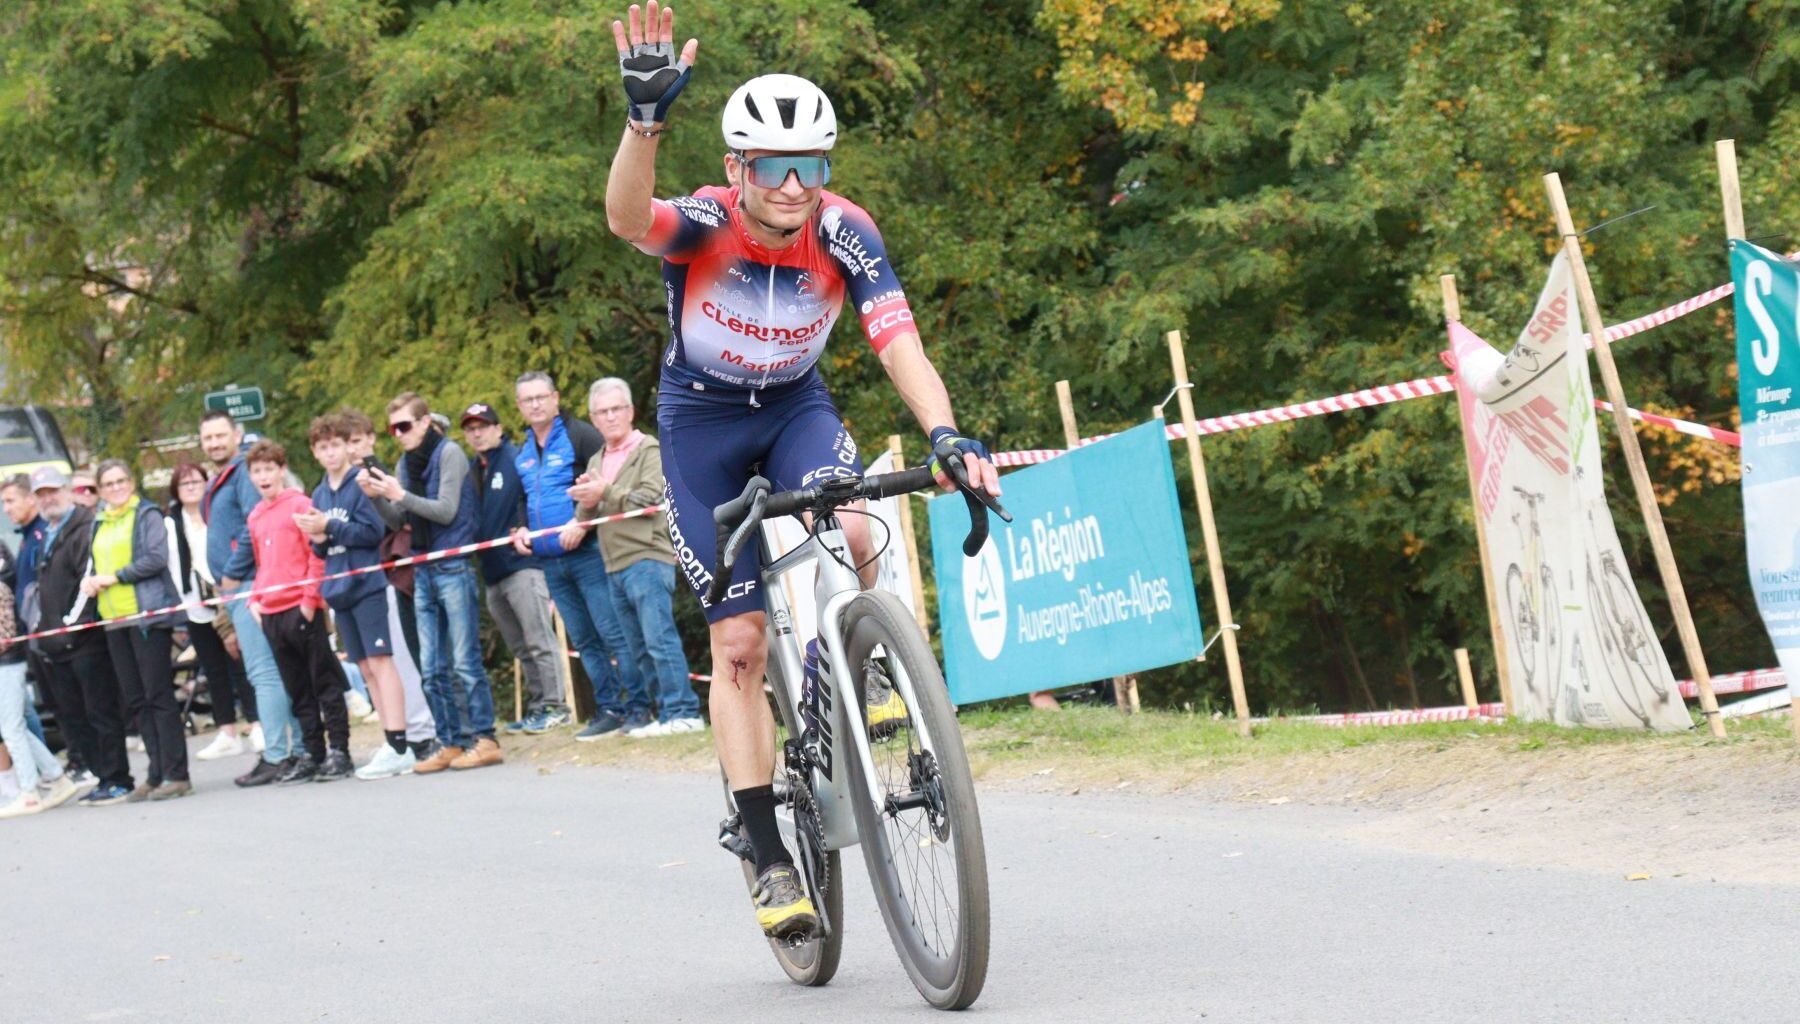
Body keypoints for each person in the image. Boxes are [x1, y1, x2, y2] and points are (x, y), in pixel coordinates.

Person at [604, 4, 1001, 939]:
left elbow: (899, 343)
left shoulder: (845, 232)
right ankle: (763, 846)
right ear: (738, 169)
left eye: (811, 166)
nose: (793, 185)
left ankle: (865, 669)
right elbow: (627, 218)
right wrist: (643, 123)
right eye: (773, 166)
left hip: (793, 410)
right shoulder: (703, 224)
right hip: (700, 429)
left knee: (857, 523)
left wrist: (945, 435)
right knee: (737, 640)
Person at [363, 394, 502, 772]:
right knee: (432, 665)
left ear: (425, 422)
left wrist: (399, 493)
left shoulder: (449, 453)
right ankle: (451, 740)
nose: (399, 434)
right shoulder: (405, 463)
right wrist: (377, 498)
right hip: (422, 567)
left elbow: (446, 510)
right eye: (393, 428)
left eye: (405, 426)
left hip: (453, 564)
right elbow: (398, 521)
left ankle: (485, 737)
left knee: (464, 660)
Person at [509, 371, 647, 738]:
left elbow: (604, 480)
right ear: (520, 406)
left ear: (555, 398)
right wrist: (521, 529)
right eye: (528, 399)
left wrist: (582, 524)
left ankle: (638, 708)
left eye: (542, 397)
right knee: (583, 639)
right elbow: (524, 499)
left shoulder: (580, 434)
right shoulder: (522, 451)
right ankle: (609, 710)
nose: (536, 404)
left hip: (589, 553)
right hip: (549, 561)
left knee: (612, 633)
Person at [573, 378, 700, 736]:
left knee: (659, 639)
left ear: (630, 411)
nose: (610, 417)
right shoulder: (597, 458)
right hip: (613, 562)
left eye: (616, 409)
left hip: (647, 556)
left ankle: (683, 711)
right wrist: (584, 503)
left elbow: (649, 500)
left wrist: (605, 491)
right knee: (637, 647)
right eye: (602, 412)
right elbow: (594, 511)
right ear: (593, 418)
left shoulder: (649, 450)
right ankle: (664, 714)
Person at [295, 415, 415, 780]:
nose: (331, 453)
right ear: (315, 453)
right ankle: (388, 740)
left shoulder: (358, 484)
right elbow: (323, 549)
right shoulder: (319, 493)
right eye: (323, 447)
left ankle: (400, 743)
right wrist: (318, 539)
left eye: (336, 445)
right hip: (338, 586)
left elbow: (372, 531)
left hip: (366, 584)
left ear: (348, 446)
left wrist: (328, 526)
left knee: (381, 661)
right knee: (363, 667)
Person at [199, 410, 303, 788]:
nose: (213, 443)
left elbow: (252, 523)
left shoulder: (243, 472)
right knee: (273, 669)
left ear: (236, 434)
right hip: (239, 585)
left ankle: (277, 754)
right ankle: (296, 749)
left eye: (220, 435)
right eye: (207, 437)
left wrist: (232, 570)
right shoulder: (220, 479)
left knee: (264, 672)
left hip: (248, 582)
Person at [244, 440, 353, 784]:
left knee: (323, 681)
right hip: (271, 610)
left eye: (268, 469)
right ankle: (312, 750)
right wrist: (255, 601)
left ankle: (339, 749)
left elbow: (315, 555)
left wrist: (309, 601)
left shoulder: (301, 505)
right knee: (297, 687)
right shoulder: (256, 516)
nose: (263, 477)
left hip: (300, 607)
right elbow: (262, 563)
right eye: (257, 471)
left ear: (280, 470)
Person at [82, 459, 191, 801]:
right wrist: (91, 581)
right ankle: (155, 773)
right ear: (100, 490)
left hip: (147, 616)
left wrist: (114, 578)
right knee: (136, 699)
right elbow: (95, 563)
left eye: (120, 481)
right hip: (114, 621)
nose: (116, 488)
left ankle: (177, 773)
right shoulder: (98, 521)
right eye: (108, 484)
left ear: (131, 482)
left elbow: (155, 559)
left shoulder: (146, 515)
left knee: (158, 695)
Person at [460, 402, 568, 734]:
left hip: (523, 565)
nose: (477, 432)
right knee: (520, 647)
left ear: (497, 427)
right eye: (470, 427)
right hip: (492, 572)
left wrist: (523, 525)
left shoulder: (516, 458)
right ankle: (539, 706)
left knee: (539, 639)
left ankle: (556, 706)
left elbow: (531, 498)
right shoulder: (471, 467)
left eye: (483, 425)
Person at [339, 408, 440, 758]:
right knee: (387, 661)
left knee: (408, 659)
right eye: (344, 443)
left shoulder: (378, 473)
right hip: (373, 579)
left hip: (394, 574)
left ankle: (423, 732)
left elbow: (392, 523)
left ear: (370, 439)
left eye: (355, 441)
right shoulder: (341, 484)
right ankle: (405, 734)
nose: (351, 450)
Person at [31, 466, 132, 805]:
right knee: (75, 718)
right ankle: (102, 775)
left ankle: (118, 778)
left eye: (53, 491)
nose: (48, 499)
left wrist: (70, 627)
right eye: (41, 494)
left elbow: (85, 586)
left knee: (101, 712)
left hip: (84, 641)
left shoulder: (84, 527)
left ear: (67, 490)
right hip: (57, 645)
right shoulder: (49, 532)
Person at [166, 462, 262, 760]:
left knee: (240, 661)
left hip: (225, 592)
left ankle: (256, 723)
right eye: (185, 484)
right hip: (194, 603)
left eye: (196, 481)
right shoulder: (171, 522)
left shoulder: (214, 513)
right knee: (213, 668)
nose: (192, 487)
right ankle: (227, 730)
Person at [0, 541, 79, 817]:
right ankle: (56, 777)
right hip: (8, 663)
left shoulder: (1, 585)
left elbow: (6, 632)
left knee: (11, 728)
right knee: (13, 725)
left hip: (7, 663)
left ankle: (30, 793)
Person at [1, 476, 56, 754]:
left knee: (17, 717)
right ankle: (52, 771)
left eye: (10, 501)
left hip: (27, 634)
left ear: (29, 499)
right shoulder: (24, 537)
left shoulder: (39, 534)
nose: (6, 509)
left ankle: (58, 770)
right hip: (28, 632)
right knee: (18, 712)